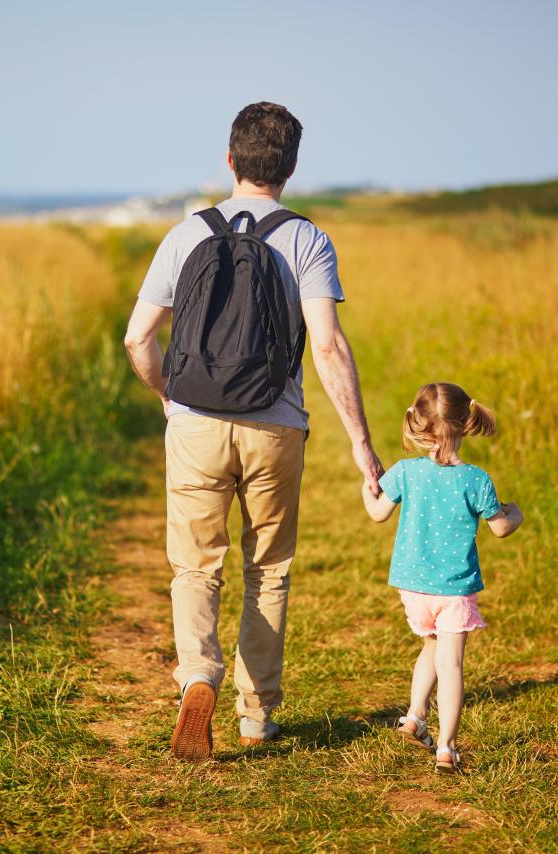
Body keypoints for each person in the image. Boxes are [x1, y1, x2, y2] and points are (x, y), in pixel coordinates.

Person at [124, 102, 382, 761]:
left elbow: (138, 338)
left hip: (195, 423)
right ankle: (256, 714)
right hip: (276, 428)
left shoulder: (187, 234)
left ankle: (197, 677)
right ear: (290, 168)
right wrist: (360, 444)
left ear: (230, 159)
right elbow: (327, 348)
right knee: (268, 568)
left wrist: (167, 396)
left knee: (194, 566)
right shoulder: (306, 239)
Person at [362, 382, 523, 773]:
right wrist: (516, 512)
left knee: (431, 646)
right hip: (454, 590)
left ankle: (415, 715)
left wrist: (367, 488)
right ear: (466, 422)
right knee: (451, 664)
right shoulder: (476, 479)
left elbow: (378, 513)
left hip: (413, 587)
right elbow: (500, 528)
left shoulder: (405, 472)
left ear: (422, 426)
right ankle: (447, 747)